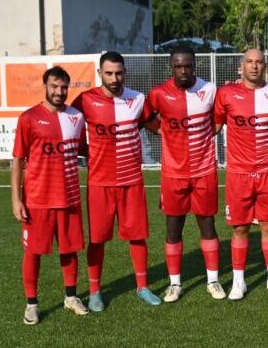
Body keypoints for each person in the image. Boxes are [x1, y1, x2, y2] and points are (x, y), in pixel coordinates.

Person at [72, 52, 160, 311]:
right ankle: (95, 292)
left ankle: (142, 287)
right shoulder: (85, 100)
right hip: (100, 182)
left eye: (118, 73)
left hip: (131, 180)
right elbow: (68, 125)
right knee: (97, 239)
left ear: (125, 73)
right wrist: (86, 150)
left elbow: (157, 126)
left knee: (138, 236)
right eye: (109, 73)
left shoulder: (137, 99)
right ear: (100, 73)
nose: (114, 78)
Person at [11, 66, 89, 324]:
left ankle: (71, 297)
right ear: (45, 86)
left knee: (70, 249)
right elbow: (18, 160)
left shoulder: (76, 116)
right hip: (38, 199)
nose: (59, 92)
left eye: (64, 87)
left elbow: (85, 149)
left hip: (69, 197)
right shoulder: (29, 118)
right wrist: (16, 199)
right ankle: (31, 304)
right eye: (54, 86)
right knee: (33, 252)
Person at [146, 50, 225, 302]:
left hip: (204, 171)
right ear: (171, 67)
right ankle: (175, 284)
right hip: (173, 173)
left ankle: (213, 280)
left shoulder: (209, 90)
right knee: (173, 228)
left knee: (208, 225)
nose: (183, 71)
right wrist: (162, 131)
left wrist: (205, 134)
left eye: (187, 66)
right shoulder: (159, 93)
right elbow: (145, 117)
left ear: (194, 66)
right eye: (178, 66)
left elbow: (218, 120)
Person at [213, 49, 268, 300]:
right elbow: (213, 126)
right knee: (240, 229)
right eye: (249, 62)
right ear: (241, 66)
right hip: (238, 173)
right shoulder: (226, 94)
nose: (254, 66)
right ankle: (239, 281)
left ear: (265, 66)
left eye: (259, 62)